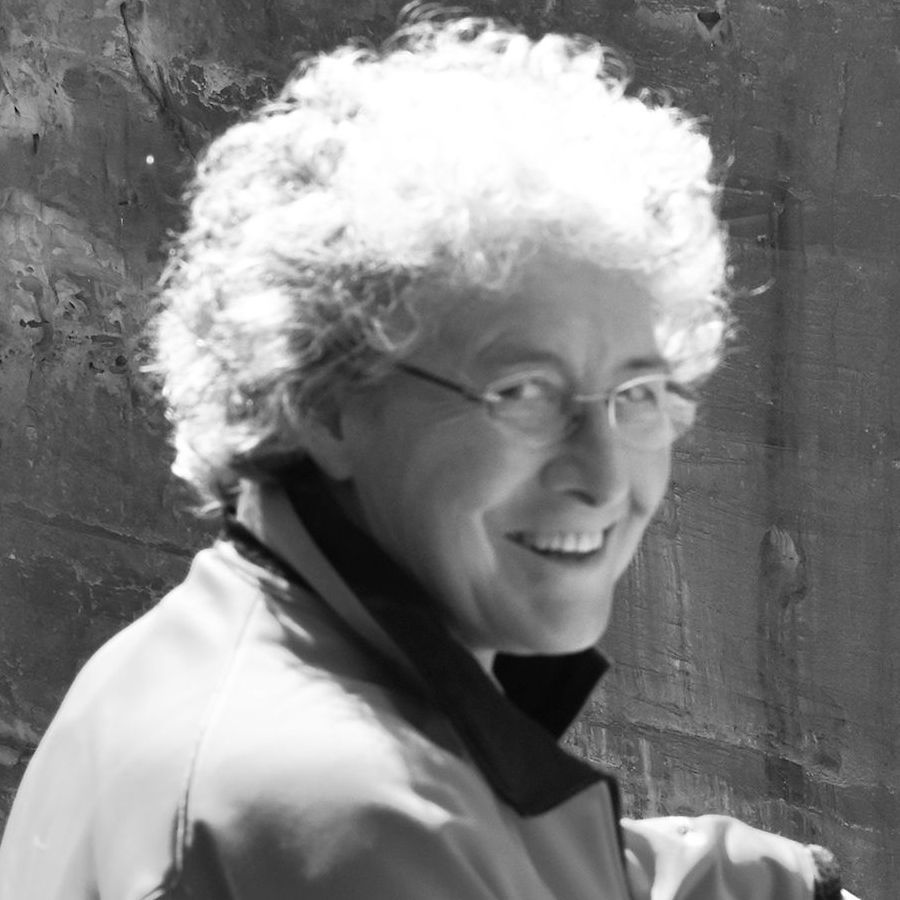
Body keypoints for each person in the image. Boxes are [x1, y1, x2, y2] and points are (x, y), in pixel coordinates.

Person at [0, 11, 856, 900]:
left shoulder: (196, 659)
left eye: (638, 393)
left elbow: (526, 863)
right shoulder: (348, 814)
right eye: (524, 393)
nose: (606, 477)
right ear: (326, 401)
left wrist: (793, 884)